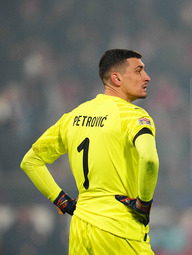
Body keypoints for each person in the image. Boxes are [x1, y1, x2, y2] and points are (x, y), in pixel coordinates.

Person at [20, 49, 159, 254]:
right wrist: (143, 205)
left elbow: (30, 161)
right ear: (116, 78)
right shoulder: (132, 116)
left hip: (80, 227)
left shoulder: (75, 116)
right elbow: (149, 160)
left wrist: (62, 201)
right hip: (118, 228)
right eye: (139, 71)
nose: (147, 77)